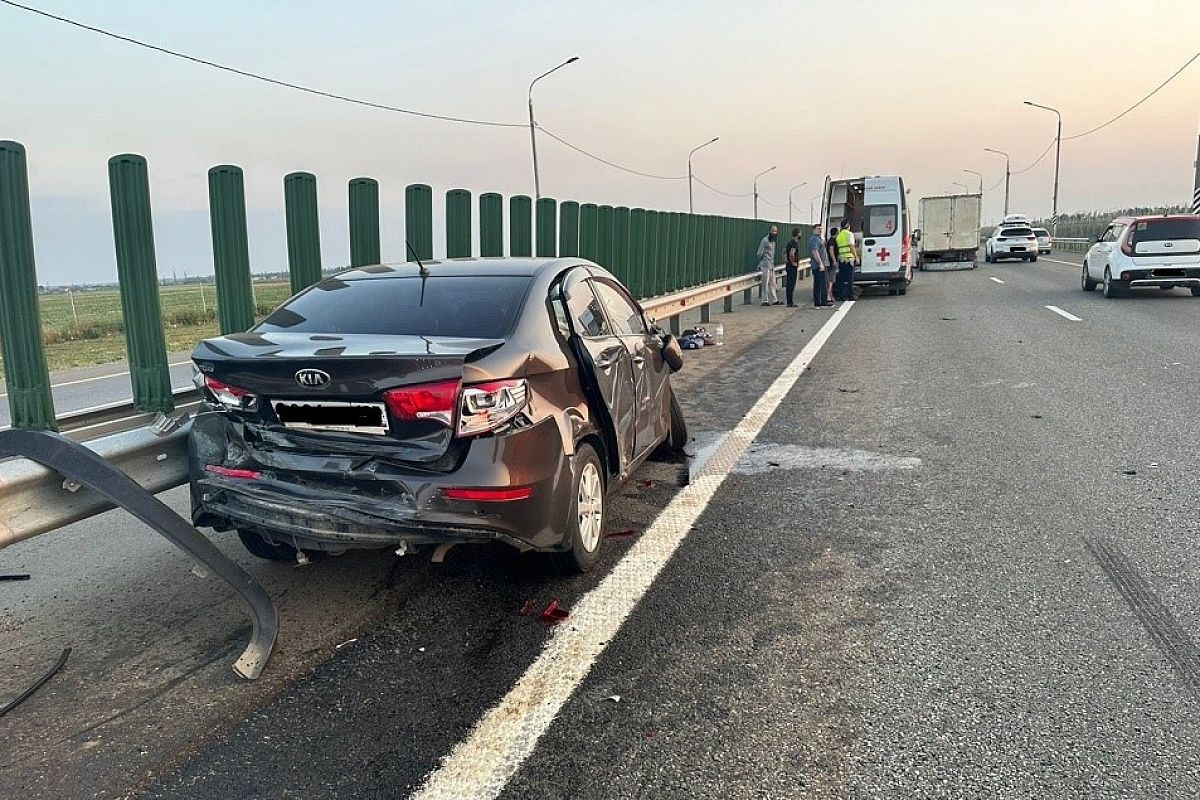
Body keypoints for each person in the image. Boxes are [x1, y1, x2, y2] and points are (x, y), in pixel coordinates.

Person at [834, 218, 859, 301]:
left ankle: (841, 296)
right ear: (847, 225)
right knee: (850, 278)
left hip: (841, 259)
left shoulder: (839, 236)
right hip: (849, 259)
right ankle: (851, 296)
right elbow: (851, 246)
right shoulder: (849, 234)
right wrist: (856, 257)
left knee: (841, 278)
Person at [757, 225, 782, 306]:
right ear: (770, 231)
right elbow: (759, 253)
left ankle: (775, 300)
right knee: (765, 283)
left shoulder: (773, 241)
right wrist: (763, 259)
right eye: (773, 231)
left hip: (771, 265)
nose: (774, 232)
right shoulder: (765, 240)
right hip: (765, 265)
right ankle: (765, 300)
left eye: (775, 231)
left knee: (773, 283)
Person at [809, 223, 832, 308]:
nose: (820, 230)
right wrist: (820, 264)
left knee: (819, 284)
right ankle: (822, 302)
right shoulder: (814, 239)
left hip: (821, 264)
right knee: (822, 283)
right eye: (818, 229)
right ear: (814, 230)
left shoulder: (819, 239)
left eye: (821, 229)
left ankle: (818, 303)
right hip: (819, 265)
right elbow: (815, 251)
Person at [783, 227, 802, 307]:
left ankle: (789, 301)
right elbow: (792, 253)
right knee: (791, 284)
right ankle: (790, 302)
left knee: (789, 284)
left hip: (788, 265)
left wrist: (786, 260)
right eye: (800, 233)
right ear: (798, 234)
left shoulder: (789, 242)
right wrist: (793, 262)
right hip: (792, 266)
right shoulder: (794, 243)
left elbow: (784, 252)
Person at [825, 226, 840, 304]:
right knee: (831, 280)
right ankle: (828, 295)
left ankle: (831, 296)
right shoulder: (833, 241)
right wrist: (834, 260)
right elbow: (831, 250)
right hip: (831, 262)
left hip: (828, 262)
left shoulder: (829, 240)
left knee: (830, 280)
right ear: (836, 233)